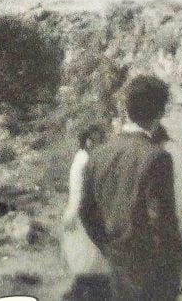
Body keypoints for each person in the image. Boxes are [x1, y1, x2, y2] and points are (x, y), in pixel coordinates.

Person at [80, 74, 182, 301]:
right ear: (160, 113)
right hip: (153, 272)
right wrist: (180, 259)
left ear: (128, 108)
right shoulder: (157, 157)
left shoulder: (98, 155)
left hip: (118, 265)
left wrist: (108, 248)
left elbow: (86, 212)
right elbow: (161, 219)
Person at [63, 123, 111, 301]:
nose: (100, 143)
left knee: (88, 264)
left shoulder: (83, 159)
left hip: (80, 213)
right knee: (91, 263)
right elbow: (79, 192)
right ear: (89, 141)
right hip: (82, 215)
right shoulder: (84, 161)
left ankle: (79, 293)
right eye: (97, 139)